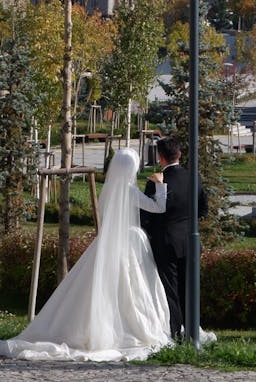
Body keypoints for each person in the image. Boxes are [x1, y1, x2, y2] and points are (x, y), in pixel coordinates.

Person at [0, 147, 171, 362]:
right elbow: (159, 207)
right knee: (130, 289)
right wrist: (160, 185)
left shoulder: (107, 191)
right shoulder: (130, 191)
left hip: (106, 244)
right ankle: (126, 327)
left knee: (95, 287)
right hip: (128, 244)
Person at [140, 135, 207, 341]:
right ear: (179, 154)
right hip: (189, 240)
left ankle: (176, 333)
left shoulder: (157, 182)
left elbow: (147, 216)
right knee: (189, 287)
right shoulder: (194, 177)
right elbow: (203, 209)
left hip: (165, 242)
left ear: (160, 157)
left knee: (171, 290)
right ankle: (192, 331)